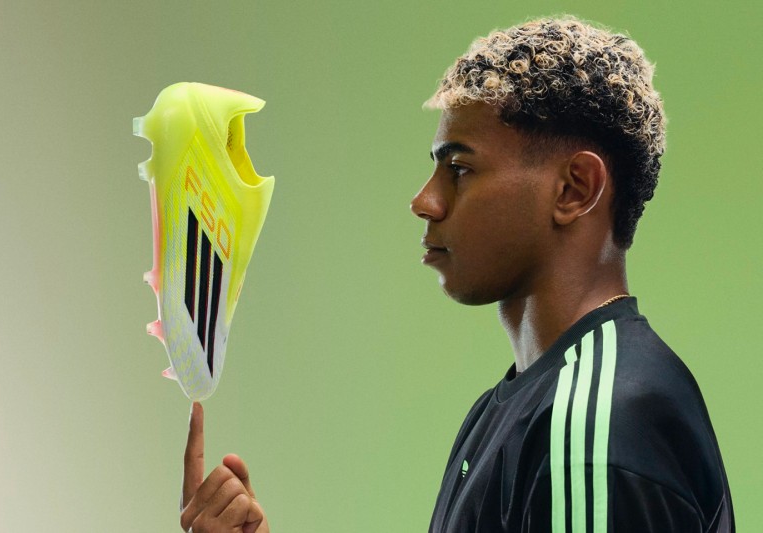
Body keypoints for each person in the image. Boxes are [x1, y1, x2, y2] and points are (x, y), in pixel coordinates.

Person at [177, 15, 735, 533]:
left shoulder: (595, 424)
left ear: (574, 189)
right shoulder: (515, 410)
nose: (424, 201)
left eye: (460, 169)